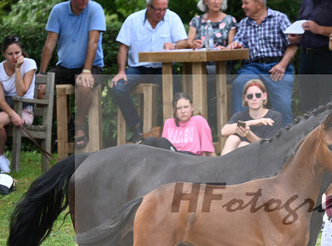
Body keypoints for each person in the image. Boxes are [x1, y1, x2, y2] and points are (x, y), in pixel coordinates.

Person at [112, 0, 189, 143]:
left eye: (164, 9)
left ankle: (176, 132)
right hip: (138, 69)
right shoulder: (133, 20)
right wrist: (121, 71)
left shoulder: (172, 18)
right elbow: (123, 47)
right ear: (148, 6)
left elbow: (184, 42)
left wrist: (173, 45)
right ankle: (137, 128)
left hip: (163, 69)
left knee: (178, 94)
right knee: (118, 88)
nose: (162, 13)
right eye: (158, 10)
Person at [38, 0, 106, 149]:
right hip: (64, 66)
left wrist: (86, 71)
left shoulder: (95, 9)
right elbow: (50, 43)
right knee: (41, 90)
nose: (84, 1)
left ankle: (79, 125)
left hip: (92, 66)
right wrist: (42, 73)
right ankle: (68, 123)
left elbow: (93, 42)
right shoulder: (58, 11)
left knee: (84, 85)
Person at [226, 0, 297, 126]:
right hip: (252, 67)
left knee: (282, 104)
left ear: (258, 3)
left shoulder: (280, 18)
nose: (243, 6)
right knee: (239, 84)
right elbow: (238, 44)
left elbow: (293, 45)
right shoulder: (244, 23)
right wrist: (235, 45)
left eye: (246, 3)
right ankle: (241, 131)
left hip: (277, 65)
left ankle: (287, 135)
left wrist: (282, 65)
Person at [0, 36, 37, 173]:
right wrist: (12, 114)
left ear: (21, 52)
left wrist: (18, 69)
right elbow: (0, 100)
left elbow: (21, 92)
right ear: (3, 54)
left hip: (23, 107)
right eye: (10, 54)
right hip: (4, 106)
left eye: (17, 53)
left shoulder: (29, 64)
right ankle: (0, 158)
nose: (14, 57)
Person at [288, 0, 332, 112]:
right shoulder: (306, 2)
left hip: (327, 56)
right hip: (305, 56)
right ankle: (311, 124)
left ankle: (331, 123)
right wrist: (295, 36)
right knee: (307, 101)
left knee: (329, 99)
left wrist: (320, 29)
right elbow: (300, 27)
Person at [220, 78, 282, 155]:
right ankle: (221, 163)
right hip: (241, 157)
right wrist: (252, 122)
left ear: (264, 96)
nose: (254, 98)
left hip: (264, 157)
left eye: (258, 95)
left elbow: (267, 147)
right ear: (245, 98)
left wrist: (248, 134)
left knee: (243, 144)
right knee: (233, 138)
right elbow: (224, 131)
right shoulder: (240, 115)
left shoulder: (274, 116)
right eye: (250, 96)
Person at [143, 92, 216, 156]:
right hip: (173, 157)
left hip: (192, 159)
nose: (183, 111)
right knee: (150, 141)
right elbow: (164, 148)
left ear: (192, 107)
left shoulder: (198, 121)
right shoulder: (169, 123)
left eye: (186, 107)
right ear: (174, 110)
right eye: (179, 108)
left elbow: (209, 150)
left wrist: (217, 165)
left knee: (162, 141)